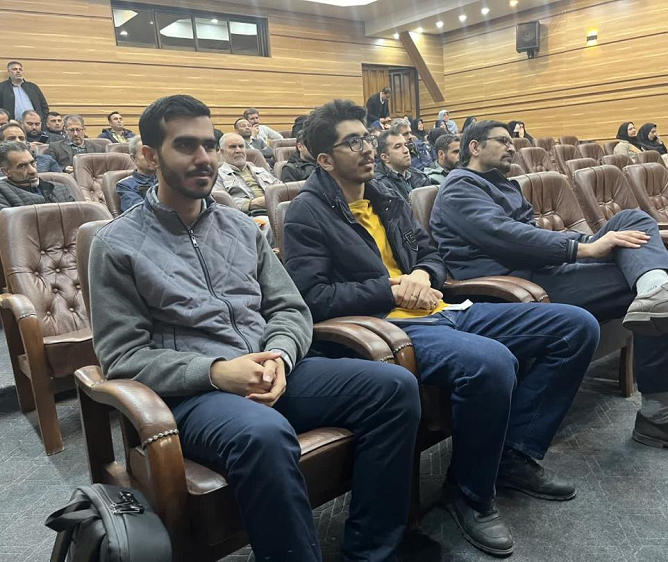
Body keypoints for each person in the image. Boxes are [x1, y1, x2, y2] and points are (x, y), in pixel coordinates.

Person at [87, 94, 420, 562]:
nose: (204, 158)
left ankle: (371, 551)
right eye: (185, 145)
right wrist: (216, 372)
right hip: (197, 395)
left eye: (209, 145)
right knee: (264, 434)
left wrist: (281, 354)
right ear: (150, 156)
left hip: (274, 368)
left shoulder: (240, 227)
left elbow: (290, 308)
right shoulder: (116, 244)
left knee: (394, 387)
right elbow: (122, 357)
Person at [283, 99, 601, 558]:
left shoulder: (387, 196)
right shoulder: (306, 212)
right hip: (386, 327)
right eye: (353, 142)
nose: (368, 148)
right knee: (491, 363)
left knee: (575, 326)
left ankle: (513, 456)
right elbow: (314, 297)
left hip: (442, 307)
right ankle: (470, 493)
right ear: (325, 159)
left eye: (367, 137)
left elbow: (431, 254)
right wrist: (390, 289)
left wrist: (421, 274)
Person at [430, 119, 668, 459]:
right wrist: (584, 248)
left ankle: (657, 292)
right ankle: (660, 414)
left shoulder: (504, 185)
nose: (511, 147)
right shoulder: (459, 186)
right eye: (502, 141)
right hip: (514, 285)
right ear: (475, 147)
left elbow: (535, 236)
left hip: (543, 269)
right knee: (644, 288)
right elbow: (507, 237)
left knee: (633, 222)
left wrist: (591, 243)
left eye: (511, 142)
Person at [215, 131, 281, 239]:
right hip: (248, 217)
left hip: (275, 210)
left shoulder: (260, 170)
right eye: (232, 147)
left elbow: (280, 189)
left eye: (241, 146)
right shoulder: (218, 175)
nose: (238, 150)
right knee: (270, 224)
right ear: (222, 152)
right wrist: (251, 203)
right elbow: (219, 203)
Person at [0, 141, 74, 209]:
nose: (33, 171)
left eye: (33, 163)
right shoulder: (3, 193)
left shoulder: (60, 189)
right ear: (6, 171)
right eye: (23, 166)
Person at [374, 128, 431, 201]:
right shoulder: (380, 185)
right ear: (385, 157)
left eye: (405, 145)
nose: (406, 150)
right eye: (398, 147)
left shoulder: (420, 176)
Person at [115, 135, 157, 213]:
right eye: (145, 154)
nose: (152, 158)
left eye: (154, 153)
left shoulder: (166, 179)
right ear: (133, 158)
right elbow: (140, 213)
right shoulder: (125, 185)